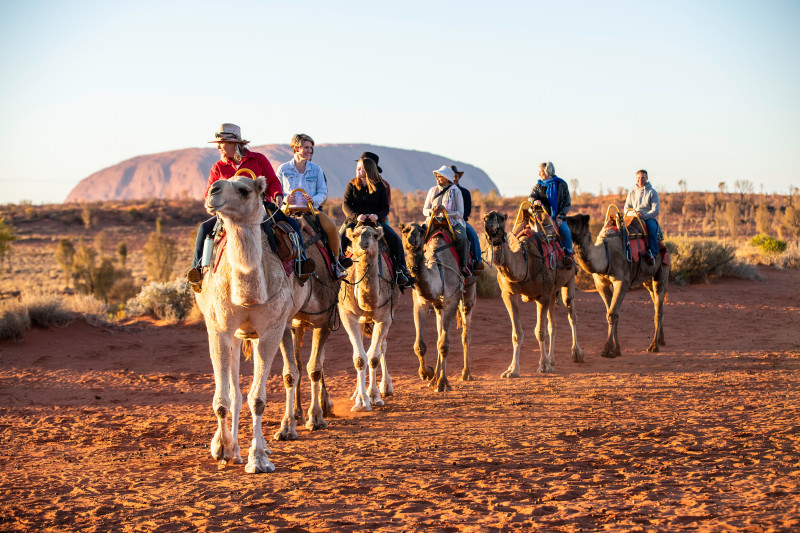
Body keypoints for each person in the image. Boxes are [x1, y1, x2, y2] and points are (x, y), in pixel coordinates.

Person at [187, 123, 312, 291]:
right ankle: (198, 272)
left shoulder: (258, 159)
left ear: (234, 143)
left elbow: (273, 181)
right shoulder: (218, 167)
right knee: (204, 229)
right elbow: (209, 192)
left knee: (291, 224)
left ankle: (299, 264)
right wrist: (211, 201)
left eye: (221, 143)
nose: (218, 147)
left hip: (259, 208)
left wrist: (277, 194)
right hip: (229, 214)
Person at [277, 133, 349, 280]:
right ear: (296, 148)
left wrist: (313, 199)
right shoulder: (283, 169)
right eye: (306, 147)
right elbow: (275, 191)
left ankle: (336, 264)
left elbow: (323, 192)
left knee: (330, 227)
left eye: (311, 148)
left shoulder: (316, 170)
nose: (310, 151)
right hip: (287, 211)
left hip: (311, 211)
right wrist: (285, 198)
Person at [340, 155, 415, 287]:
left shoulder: (380, 186)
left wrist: (376, 215)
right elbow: (346, 205)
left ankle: (400, 270)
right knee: (340, 237)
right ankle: (336, 266)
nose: (358, 170)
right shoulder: (351, 184)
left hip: (375, 221)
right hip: (355, 219)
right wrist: (357, 216)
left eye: (361, 168)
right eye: (357, 168)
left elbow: (385, 208)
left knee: (395, 240)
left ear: (369, 170)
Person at [423, 166, 472, 276]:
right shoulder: (432, 190)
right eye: (436, 176)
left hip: (452, 222)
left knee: (463, 238)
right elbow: (424, 210)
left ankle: (463, 265)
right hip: (432, 221)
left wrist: (446, 212)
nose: (437, 178)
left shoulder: (456, 191)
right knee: (417, 235)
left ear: (447, 178)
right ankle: (416, 265)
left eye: (440, 176)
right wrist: (432, 211)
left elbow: (460, 213)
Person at [528, 161, 574, 267]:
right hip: (540, 218)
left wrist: (560, 217)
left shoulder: (561, 184)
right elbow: (530, 197)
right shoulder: (539, 185)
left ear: (548, 171)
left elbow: (567, 203)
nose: (539, 174)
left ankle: (568, 257)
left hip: (556, 218)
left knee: (566, 233)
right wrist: (534, 201)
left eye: (541, 172)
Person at [450, 165, 484, 273]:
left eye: (456, 176)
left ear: (459, 177)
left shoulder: (465, 192)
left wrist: (457, 216)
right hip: (444, 221)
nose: (454, 178)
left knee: (472, 234)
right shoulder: (443, 192)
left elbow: (467, 211)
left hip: (461, 220)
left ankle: (477, 260)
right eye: (452, 176)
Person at [624, 169, 661, 264]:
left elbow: (656, 210)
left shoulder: (652, 192)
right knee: (622, 229)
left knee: (651, 229)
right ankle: (624, 252)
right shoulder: (631, 192)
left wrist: (644, 216)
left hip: (648, 217)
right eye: (639, 178)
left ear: (647, 178)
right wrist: (634, 214)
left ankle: (653, 253)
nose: (640, 180)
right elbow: (626, 208)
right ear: (636, 179)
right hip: (633, 216)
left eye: (643, 178)